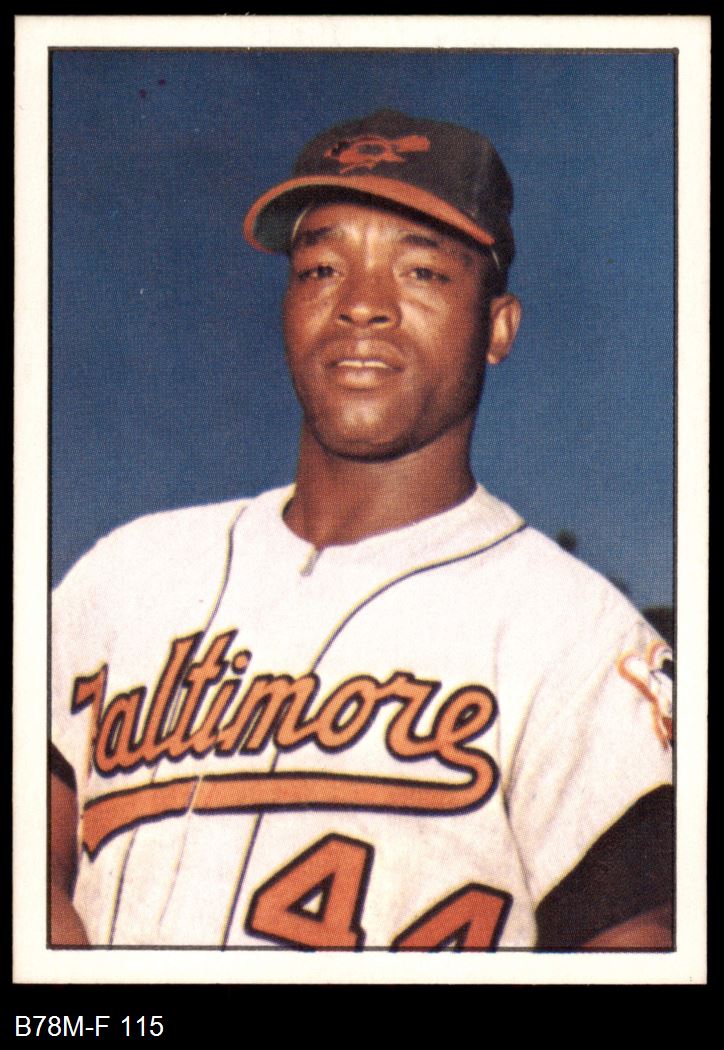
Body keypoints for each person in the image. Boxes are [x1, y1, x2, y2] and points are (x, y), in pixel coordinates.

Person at [50, 109, 673, 950]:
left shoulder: (579, 640)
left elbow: (640, 945)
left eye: (421, 271)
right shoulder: (125, 577)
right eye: (321, 268)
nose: (362, 306)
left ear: (497, 327)